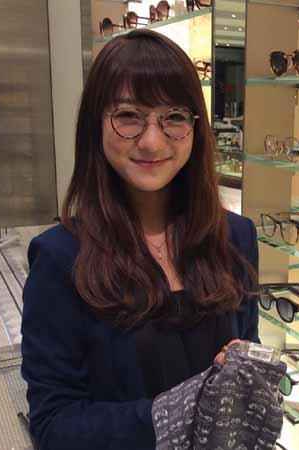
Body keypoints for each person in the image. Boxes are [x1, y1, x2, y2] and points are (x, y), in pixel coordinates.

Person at [20, 29, 259, 450]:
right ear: (96, 124)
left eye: (174, 117)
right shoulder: (61, 259)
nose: (151, 141)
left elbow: (248, 344)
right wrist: (178, 411)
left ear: (196, 128)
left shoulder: (235, 237)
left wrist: (249, 373)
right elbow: (54, 424)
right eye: (129, 115)